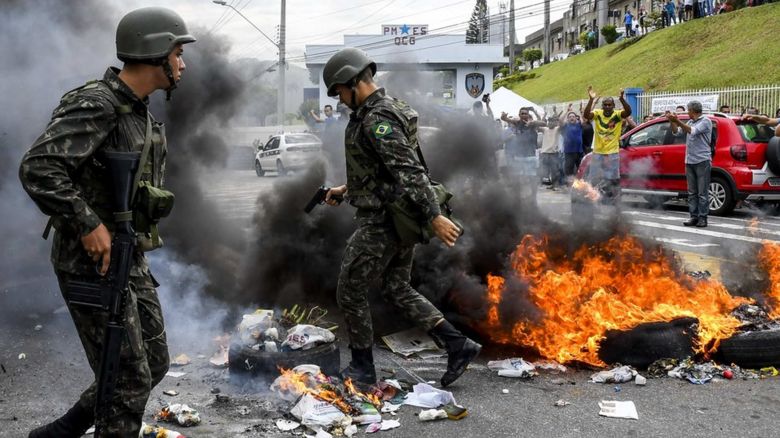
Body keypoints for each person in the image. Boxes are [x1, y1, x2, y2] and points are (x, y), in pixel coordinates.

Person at [18, 7, 194, 437]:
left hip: (127, 257)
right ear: (156, 52)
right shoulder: (97, 103)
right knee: (126, 380)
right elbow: (39, 168)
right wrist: (87, 223)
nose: (182, 63)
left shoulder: (137, 111)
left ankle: (63, 429)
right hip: (91, 262)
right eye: (177, 52)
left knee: (152, 363)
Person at [319, 47, 481, 388]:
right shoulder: (382, 110)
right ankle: (458, 344)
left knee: (350, 289)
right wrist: (345, 189)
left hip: (384, 221)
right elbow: (380, 170)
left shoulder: (377, 118)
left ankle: (362, 368)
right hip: (395, 216)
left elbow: (409, 170)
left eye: (339, 92)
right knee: (395, 287)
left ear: (352, 82)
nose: (340, 99)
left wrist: (434, 216)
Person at [665, 101, 712, 227]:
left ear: (694, 110)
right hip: (689, 160)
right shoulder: (690, 121)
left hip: (702, 160)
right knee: (692, 192)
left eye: (688, 110)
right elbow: (677, 132)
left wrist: (678, 120)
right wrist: (672, 121)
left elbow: (693, 131)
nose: (687, 112)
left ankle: (703, 217)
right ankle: (693, 216)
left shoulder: (705, 121)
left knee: (702, 192)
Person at [583, 86, 632, 203]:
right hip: (598, 151)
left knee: (614, 177)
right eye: (605, 105)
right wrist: (590, 100)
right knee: (593, 177)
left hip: (612, 151)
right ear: (602, 106)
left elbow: (628, 112)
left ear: (613, 106)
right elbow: (586, 115)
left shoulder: (618, 114)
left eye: (610, 105)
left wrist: (622, 99)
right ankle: (593, 196)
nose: (607, 107)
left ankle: (614, 198)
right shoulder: (597, 113)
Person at [501, 107, 547, 204]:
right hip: (519, 157)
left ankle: (533, 197)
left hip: (530, 157)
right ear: (519, 115)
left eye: (525, 113)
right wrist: (504, 117)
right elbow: (505, 119)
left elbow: (544, 123)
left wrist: (533, 122)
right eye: (522, 113)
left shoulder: (533, 124)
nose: (524, 115)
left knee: (532, 179)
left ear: (528, 115)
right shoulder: (517, 123)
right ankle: (519, 198)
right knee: (518, 178)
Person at [561, 105, 584, 182]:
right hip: (569, 152)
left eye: (573, 116)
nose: (571, 118)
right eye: (570, 116)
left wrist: (580, 112)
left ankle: (581, 185)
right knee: (569, 170)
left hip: (579, 151)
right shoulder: (565, 126)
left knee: (581, 169)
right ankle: (570, 185)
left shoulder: (579, 125)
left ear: (576, 118)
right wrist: (567, 111)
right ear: (567, 119)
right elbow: (560, 120)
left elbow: (583, 120)